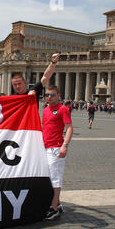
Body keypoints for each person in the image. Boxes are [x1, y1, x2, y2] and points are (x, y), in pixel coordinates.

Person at [42, 85, 73, 220]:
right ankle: (58, 203)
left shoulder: (63, 109)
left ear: (58, 95)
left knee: (55, 179)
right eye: (47, 94)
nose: (49, 97)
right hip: (45, 147)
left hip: (56, 148)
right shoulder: (45, 110)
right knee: (49, 177)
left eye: (52, 94)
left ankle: (53, 209)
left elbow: (69, 127)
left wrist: (65, 145)